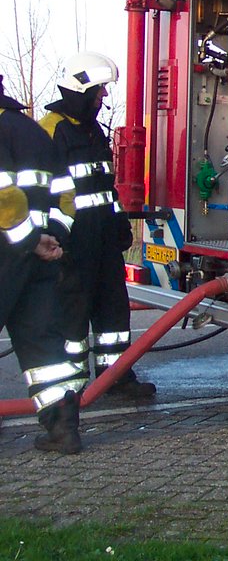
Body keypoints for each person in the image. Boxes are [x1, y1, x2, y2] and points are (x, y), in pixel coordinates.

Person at [39, 52, 156, 399]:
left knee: (113, 311)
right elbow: (42, 192)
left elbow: (104, 186)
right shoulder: (50, 132)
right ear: (81, 88)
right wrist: (55, 237)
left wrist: (118, 218)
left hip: (103, 240)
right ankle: (69, 390)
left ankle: (116, 376)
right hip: (71, 243)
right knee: (71, 317)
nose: (104, 96)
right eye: (100, 90)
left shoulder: (92, 132)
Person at [0, 73, 89, 452]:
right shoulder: (33, 130)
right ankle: (63, 429)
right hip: (40, 257)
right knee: (44, 346)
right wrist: (53, 238)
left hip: (10, 250)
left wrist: (30, 241)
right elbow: (67, 196)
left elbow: (6, 200)